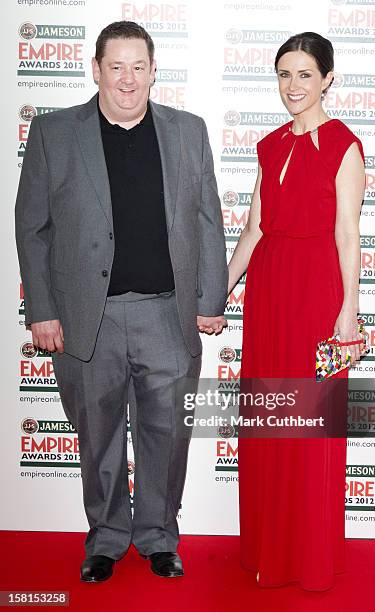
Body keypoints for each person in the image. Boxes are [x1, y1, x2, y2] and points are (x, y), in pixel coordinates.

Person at [15, 21, 227, 583]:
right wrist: (41, 309)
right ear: (96, 70)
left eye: (139, 66)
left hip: (168, 313)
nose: (128, 79)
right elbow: (30, 225)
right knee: (99, 435)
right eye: (117, 66)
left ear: (154, 71)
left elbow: (208, 218)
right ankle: (106, 539)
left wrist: (210, 296)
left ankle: (158, 536)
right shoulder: (55, 133)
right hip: (90, 319)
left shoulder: (189, 131)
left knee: (167, 434)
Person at [228, 32, 365, 590]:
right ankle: (268, 550)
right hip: (268, 297)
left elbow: (349, 235)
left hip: (316, 298)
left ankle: (308, 558)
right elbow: (256, 228)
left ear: (328, 78)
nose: (293, 85)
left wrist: (348, 310)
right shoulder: (269, 145)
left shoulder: (344, 145)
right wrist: (219, 290)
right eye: (284, 74)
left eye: (305, 74)